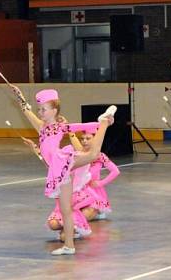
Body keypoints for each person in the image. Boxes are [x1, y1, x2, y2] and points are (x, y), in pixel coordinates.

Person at [6, 86, 114, 255]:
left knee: (93, 154)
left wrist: (99, 123)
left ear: (54, 111)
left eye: (44, 109)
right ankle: (69, 246)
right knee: (66, 210)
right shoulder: (41, 128)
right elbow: (26, 110)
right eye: (39, 109)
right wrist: (19, 95)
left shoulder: (59, 127)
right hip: (59, 173)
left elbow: (79, 126)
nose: (40, 112)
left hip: (63, 161)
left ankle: (105, 122)